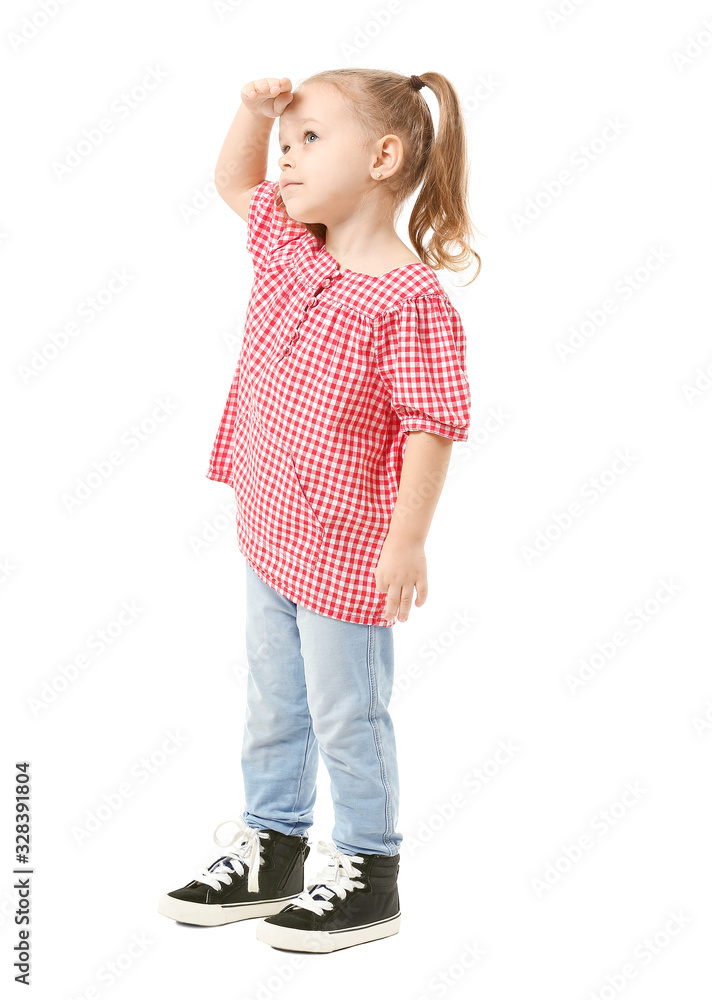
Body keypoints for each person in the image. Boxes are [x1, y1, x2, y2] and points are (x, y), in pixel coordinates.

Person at [159, 68, 479, 954]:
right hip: (271, 528)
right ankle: (274, 843)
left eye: (308, 140)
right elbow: (233, 181)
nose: (285, 159)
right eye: (286, 141)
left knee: (348, 712)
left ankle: (371, 873)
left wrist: (408, 540)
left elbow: (431, 424)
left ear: (383, 157)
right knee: (274, 700)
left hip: (345, 552)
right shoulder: (292, 246)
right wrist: (249, 112)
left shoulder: (407, 302)